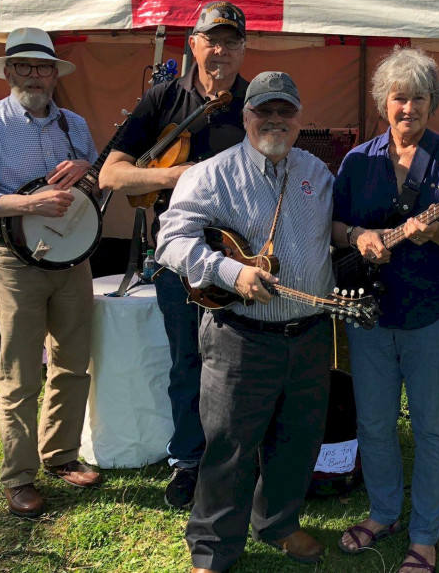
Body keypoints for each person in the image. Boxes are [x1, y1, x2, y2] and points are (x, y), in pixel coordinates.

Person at [156, 71, 335, 573]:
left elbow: (332, 233)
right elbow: (170, 241)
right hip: (241, 336)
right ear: (245, 115)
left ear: (299, 118)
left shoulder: (318, 172)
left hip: (310, 330)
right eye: (264, 111)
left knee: (298, 438)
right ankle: (213, 549)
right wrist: (230, 272)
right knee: (230, 447)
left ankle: (277, 522)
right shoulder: (209, 174)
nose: (275, 120)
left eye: (285, 112)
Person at [332, 47, 439, 573]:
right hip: (370, 313)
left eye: (419, 98)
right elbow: (334, 226)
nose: (408, 109)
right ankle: (383, 512)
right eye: (400, 98)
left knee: (432, 426)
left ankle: (425, 535)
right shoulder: (358, 160)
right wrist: (359, 234)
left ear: (432, 102)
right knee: (374, 423)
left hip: (436, 312)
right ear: (384, 103)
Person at [99, 0, 249, 509]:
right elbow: (110, 174)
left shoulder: (257, 102)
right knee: (188, 360)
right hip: (178, 256)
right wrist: (172, 177)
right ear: (193, 44)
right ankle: (188, 462)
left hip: (241, 255)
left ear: (244, 48)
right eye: (212, 38)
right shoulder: (163, 98)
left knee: (240, 362)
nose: (221, 49)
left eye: (231, 40)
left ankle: (235, 460)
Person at [0, 27, 104, 518]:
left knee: (73, 362)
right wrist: (27, 201)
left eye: (44, 68)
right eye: (25, 67)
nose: (35, 76)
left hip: (73, 260)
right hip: (16, 261)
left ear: (56, 74)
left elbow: (100, 181)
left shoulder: (74, 125)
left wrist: (88, 168)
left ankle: (59, 455)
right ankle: (18, 477)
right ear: (9, 71)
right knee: (19, 374)